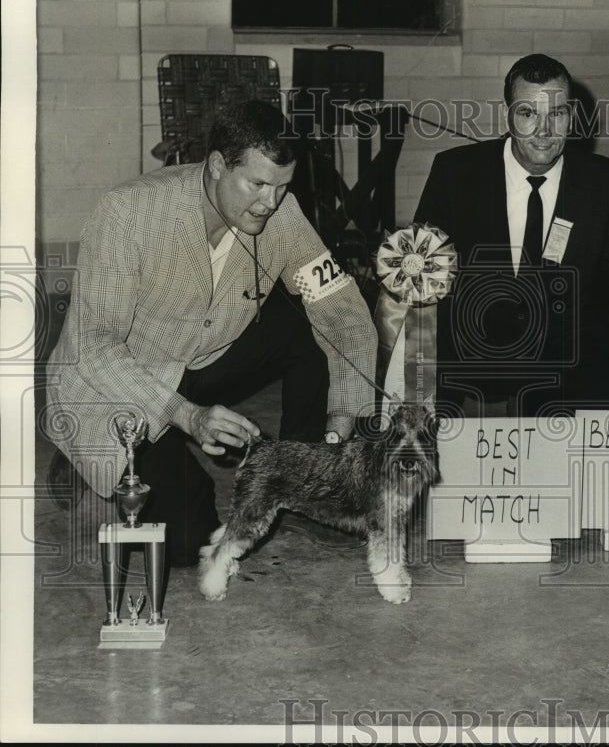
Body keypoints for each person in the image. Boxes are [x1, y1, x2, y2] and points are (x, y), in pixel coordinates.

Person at [43, 99, 377, 566]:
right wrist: (187, 415)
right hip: (118, 381)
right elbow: (94, 347)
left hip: (202, 358)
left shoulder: (283, 213)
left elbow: (340, 309)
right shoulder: (127, 212)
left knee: (312, 327)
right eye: (257, 184)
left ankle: (302, 478)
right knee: (184, 544)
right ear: (218, 165)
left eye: (282, 187)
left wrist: (343, 421)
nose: (270, 202)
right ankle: (84, 456)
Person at [415, 53, 609, 417]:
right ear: (509, 114)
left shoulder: (603, 182)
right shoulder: (456, 172)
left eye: (556, 114)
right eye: (529, 113)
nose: (544, 131)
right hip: (473, 368)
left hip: (567, 364)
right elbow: (418, 267)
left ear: (572, 116)